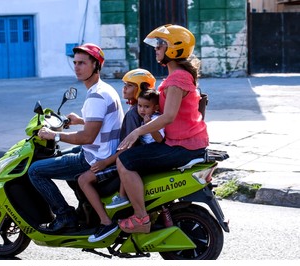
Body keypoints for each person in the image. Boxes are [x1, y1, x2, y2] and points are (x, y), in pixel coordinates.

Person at [116, 24, 209, 234]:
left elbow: (168, 117)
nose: (156, 49)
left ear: (174, 48)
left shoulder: (177, 79)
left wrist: (137, 131)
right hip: (181, 142)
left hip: (183, 145)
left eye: (160, 45)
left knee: (124, 160)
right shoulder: (176, 76)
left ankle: (141, 218)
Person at [28, 43, 124, 233]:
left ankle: (64, 215)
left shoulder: (96, 96)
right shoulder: (104, 89)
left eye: (82, 63)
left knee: (35, 171)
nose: (77, 67)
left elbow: (87, 137)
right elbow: (100, 123)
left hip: (94, 158)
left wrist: (54, 135)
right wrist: (79, 120)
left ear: (96, 66)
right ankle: (86, 208)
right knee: (61, 157)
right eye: (75, 63)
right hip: (103, 150)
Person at [77, 69, 156, 242]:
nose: (124, 89)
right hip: (120, 155)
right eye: (124, 85)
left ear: (141, 88)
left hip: (120, 159)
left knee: (83, 179)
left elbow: (129, 148)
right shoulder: (137, 110)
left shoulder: (135, 113)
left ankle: (106, 223)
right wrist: (80, 121)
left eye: (129, 86)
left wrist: (105, 162)